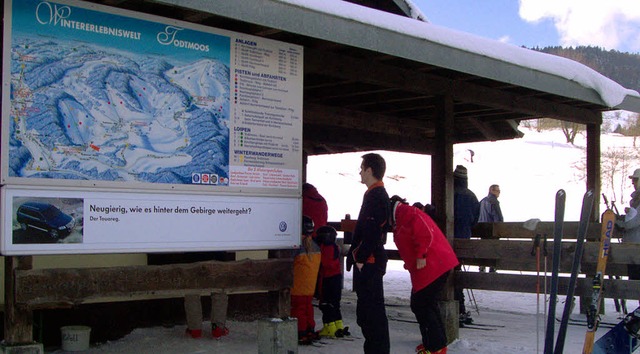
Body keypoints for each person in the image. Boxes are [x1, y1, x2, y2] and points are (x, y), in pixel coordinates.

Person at [390, 195, 458, 354]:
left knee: (422, 304)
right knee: (425, 304)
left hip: (434, 265)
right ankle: (436, 344)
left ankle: (436, 347)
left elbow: (424, 234)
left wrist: (421, 255)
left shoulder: (409, 214)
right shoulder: (401, 217)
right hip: (430, 267)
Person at [346, 152, 390, 354]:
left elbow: (372, 230)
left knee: (371, 314)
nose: (360, 172)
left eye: (362, 168)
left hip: (370, 262)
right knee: (367, 313)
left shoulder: (376, 195)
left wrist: (361, 258)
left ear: (370, 170)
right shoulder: (374, 194)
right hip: (369, 261)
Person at [452, 165, 480, 325]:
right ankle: (460, 307)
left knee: (449, 274)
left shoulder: (450, 193)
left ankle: (457, 307)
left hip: (449, 240)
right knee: (458, 272)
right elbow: (475, 220)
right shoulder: (471, 196)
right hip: (465, 239)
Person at [292, 215, 322, 345]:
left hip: (297, 286)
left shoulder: (297, 248)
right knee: (307, 307)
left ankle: (301, 332)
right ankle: (310, 329)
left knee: (297, 309)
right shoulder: (315, 247)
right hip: (310, 287)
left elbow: (290, 264)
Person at [315, 225, 350, 338]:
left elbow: (325, 264)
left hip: (327, 279)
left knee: (326, 304)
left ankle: (329, 327)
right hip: (336, 278)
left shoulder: (326, 248)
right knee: (335, 304)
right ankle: (338, 325)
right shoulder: (335, 247)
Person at [616, 169, 640, 285]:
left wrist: (620, 224)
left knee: (636, 280)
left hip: (637, 247)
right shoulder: (636, 200)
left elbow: (634, 222)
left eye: (635, 180)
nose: (633, 183)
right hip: (633, 246)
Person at [478, 184, 503, 272]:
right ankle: (492, 269)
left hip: (482, 230)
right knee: (493, 250)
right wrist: (501, 228)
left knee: (483, 250)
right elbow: (498, 218)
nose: (499, 192)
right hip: (492, 230)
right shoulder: (493, 201)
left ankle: (482, 267)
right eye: (497, 190)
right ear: (491, 190)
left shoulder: (482, 201)